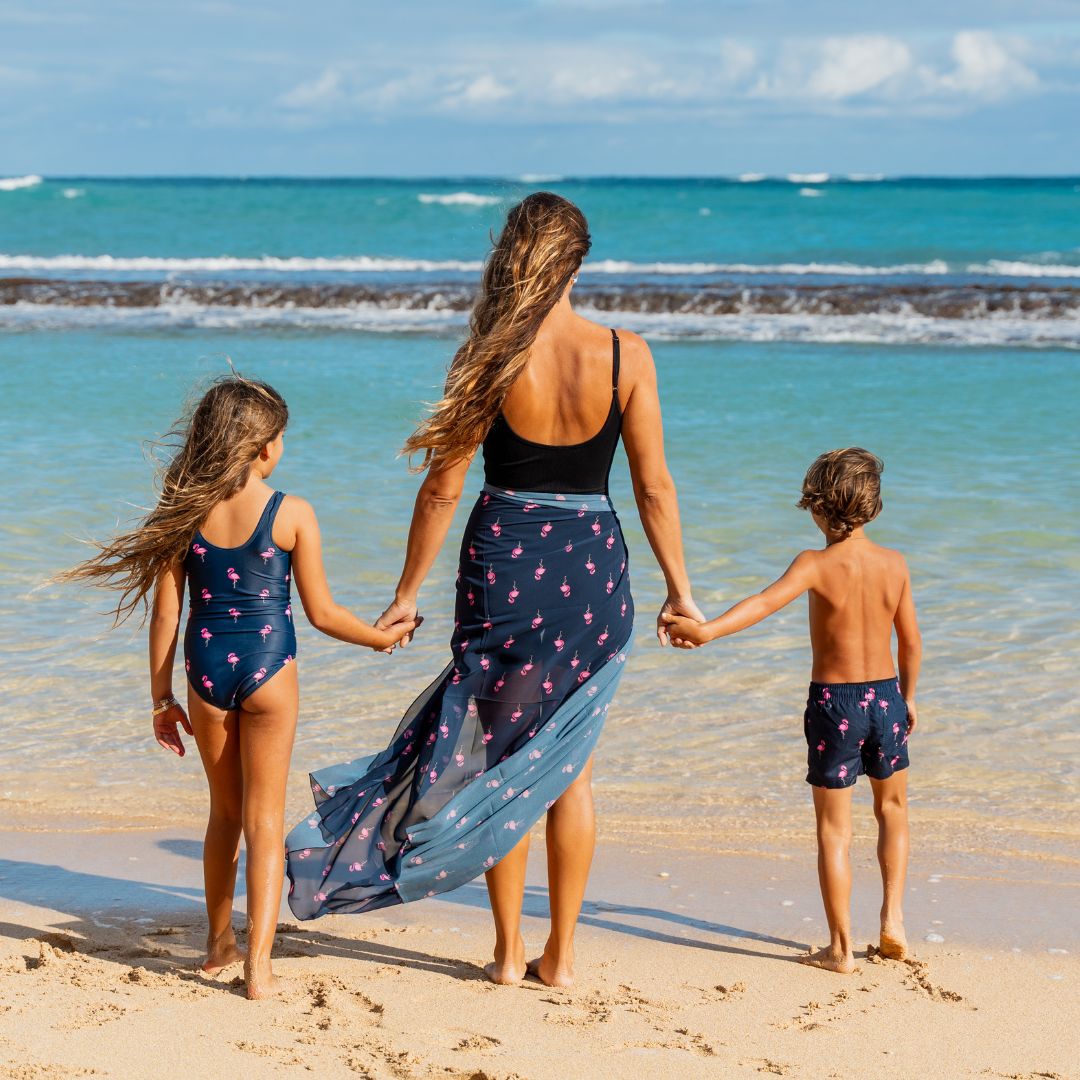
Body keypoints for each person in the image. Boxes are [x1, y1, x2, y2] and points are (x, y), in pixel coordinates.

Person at [285, 191, 703, 988]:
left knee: (501, 761)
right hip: (589, 574)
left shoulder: (488, 354)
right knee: (570, 765)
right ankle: (561, 956)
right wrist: (681, 591)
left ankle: (510, 954)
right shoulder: (627, 355)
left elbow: (443, 488)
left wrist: (406, 591)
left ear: (510, 256)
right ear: (578, 262)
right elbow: (654, 488)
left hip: (504, 566)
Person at [58, 374, 416, 998]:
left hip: (205, 673)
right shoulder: (291, 513)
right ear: (263, 447)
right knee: (264, 820)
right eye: (281, 439)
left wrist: (161, 699)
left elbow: (166, 614)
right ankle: (259, 966)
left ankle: (218, 944)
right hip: (269, 668)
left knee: (224, 814)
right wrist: (379, 639)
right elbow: (323, 614)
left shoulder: (182, 510)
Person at [663, 447, 921, 973]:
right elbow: (911, 641)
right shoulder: (894, 563)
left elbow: (762, 603)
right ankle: (893, 918)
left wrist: (706, 631)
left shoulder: (815, 564)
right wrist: (909, 697)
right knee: (892, 810)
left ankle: (841, 949)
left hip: (835, 704)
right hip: (887, 698)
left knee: (834, 830)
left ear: (817, 507)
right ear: (873, 506)